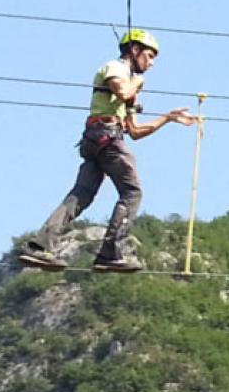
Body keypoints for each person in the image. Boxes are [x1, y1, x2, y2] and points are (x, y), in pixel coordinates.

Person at [17, 29, 194, 273]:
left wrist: (167, 118)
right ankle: (110, 252)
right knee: (132, 192)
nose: (151, 63)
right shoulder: (116, 68)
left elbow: (135, 131)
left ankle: (39, 246)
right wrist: (137, 84)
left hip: (99, 139)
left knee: (81, 195)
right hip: (105, 137)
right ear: (134, 50)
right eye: (149, 56)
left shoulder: (129, 86)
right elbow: (122, 91)